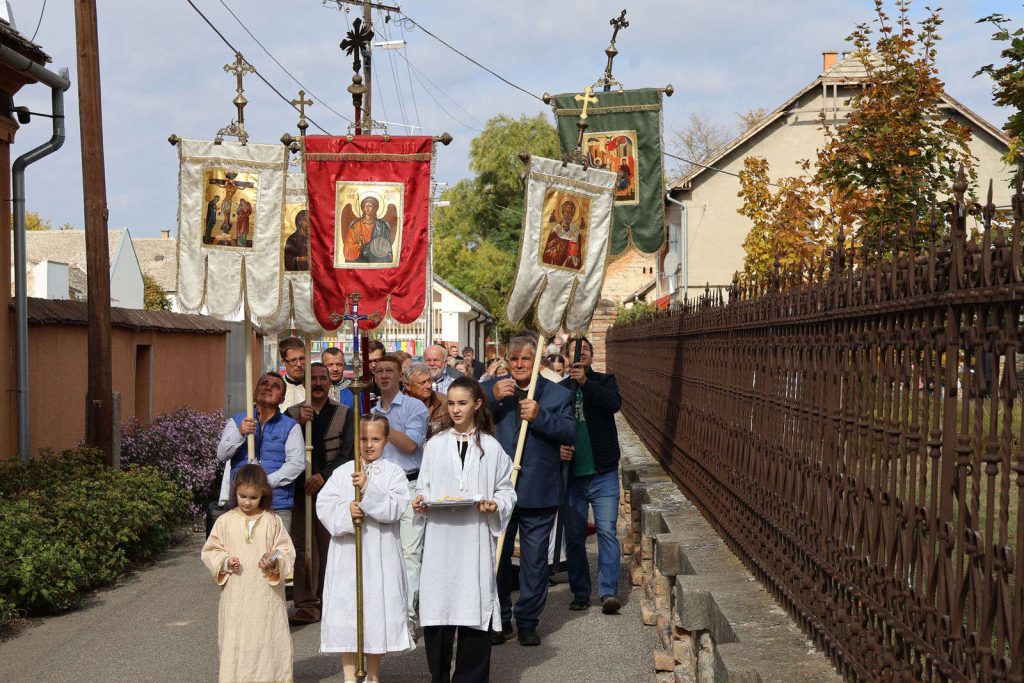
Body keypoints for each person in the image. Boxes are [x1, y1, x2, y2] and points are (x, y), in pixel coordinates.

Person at [413, 377, 517, 682]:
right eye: (452, 404)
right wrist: (420, 502)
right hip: (441, 541)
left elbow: (507, 490)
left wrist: (495, 504)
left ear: (477, 405)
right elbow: (424, 487)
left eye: (462, 403)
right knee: (439, 610)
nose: (456, 410)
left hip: (474, 540)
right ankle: (439, 677)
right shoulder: (435, 445)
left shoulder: (492, 447)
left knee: (473, 607)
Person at [482, 336, 576, 646]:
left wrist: (540, 416)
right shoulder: (495, 392)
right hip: (499, 490)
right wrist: (492, 397)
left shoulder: (556, 394)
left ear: (537, 362)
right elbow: (469, 414)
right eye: (514, 359)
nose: (520, 364)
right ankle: (500, 618)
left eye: (526, 359)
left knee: (535, 562)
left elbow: (569, 431)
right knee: (497, 556)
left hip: (539, 490)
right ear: (506, 362)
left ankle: (527, 621)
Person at [318, 414, 414, 683]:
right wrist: (347, 512)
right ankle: (349, 676)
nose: (369, 445)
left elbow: (396, 507)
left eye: (375, 439)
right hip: (348, 555)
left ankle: (372, 674)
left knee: (374, 612)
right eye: (363, 438)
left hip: (379, 554)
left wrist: (369, 489)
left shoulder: (394, 472)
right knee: (347, 612)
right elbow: (324, 506)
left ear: (386, 440)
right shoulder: (341, 472)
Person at [202, 464, 296, 683]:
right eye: (242, 496)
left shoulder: (273, 521)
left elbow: (286, 551)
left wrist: (272, 561)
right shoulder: (225, 521)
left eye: (253, 498)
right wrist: (225, 562)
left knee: (267, 639)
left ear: (263, 494)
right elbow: (210, 551)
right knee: (236, 640)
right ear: (235, 491)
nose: (246, 501)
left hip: (266, 597)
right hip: (236, 596)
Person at [286, 363, 355, 624]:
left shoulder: (344, 413)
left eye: (322, 379)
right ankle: (306, 603)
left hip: (332, 491)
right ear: (304, 383)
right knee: (303, 547)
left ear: (330, 382)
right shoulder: (291, 413)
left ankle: (331, 599)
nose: (317, 383)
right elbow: (281, 446)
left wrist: (322, 476)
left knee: (330, 546)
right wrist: (296, 423)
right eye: (312, 379)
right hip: (299, 491)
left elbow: (348, 454)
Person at [561, 337, 624, 615]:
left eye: (584, 350)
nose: (580, 353)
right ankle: (581, 592)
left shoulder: (604, 381)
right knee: (574, 536)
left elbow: (613, 404)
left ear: (591, 356)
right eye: (574, 351)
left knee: (607, 532)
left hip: (603, 473)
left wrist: (586, 382)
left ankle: (608, 591)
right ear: (565, 358)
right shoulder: (559, 390)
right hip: (572, 477)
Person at [371, 355, 429, 624]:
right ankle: (385, 608)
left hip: (409, 483)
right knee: (382, 548)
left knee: (409, 551)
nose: (384, 376)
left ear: (399, 377)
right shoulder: (371, 409)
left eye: (389, 371)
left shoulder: (414, 407)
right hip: (381, 486)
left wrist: (382, 426)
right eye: (379, 371)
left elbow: (409, 446)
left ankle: (407, 613)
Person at [216, 372, 304, 529]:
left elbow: (296, 464)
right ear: (255, 391)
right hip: (241, 505)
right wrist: (240, 433)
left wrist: (263, 484)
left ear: (282, 400)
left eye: (275, 386)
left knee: (276, 552)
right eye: (264, 384)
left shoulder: (291, 427)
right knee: (240, 552)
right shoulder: (237, 421)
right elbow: (222, 454)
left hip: (276, 504)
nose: (268, 388)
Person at [404, 362, 451, 437]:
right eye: (422, 383)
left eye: (429, 381)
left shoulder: (443, 402)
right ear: (407, 386)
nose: (428, 386)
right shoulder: (397, 405)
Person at [344, 195, 393, 264]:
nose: (367, 208)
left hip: (376, 259)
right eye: (365, 206)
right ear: (363, 208)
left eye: (370, 206)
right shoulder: (355, 227)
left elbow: (387, 248)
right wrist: (358, 246)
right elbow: (347, 250)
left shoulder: (382, 226)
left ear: (374, 208)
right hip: (360, 260)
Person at [542, 198, 585, 270]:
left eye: (570, 212)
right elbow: (546, 252)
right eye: (566, 212)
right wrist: (553, 251)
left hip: (568, 266)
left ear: (573, 214)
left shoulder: (576, 234)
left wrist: (572, 257)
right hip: (554, 264)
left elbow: (578, 259)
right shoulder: (556, 230)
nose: (568, 215)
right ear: (563, 212)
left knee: (571, 259)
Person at [279, 336, 306, 408]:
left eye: (302, 358)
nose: (299, 364)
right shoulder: (277, 388)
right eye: (293, 360)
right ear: (283, 361)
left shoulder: (315, 386)